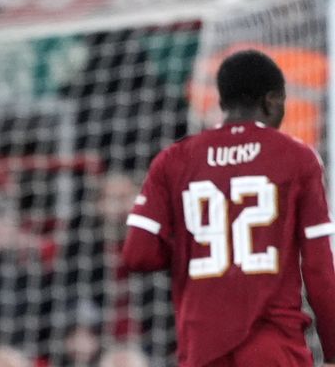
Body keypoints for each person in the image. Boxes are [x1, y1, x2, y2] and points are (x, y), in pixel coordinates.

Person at [122, 50, 335, 366]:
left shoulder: (174, 159)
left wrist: (195, 247)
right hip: (273, 345)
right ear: (272, 101)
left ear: (221, 102)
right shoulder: (297, 158)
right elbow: (319, 268)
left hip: (203, 346)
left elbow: (137, 254)